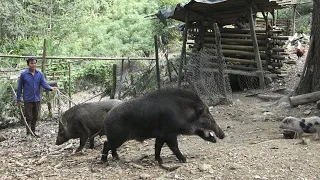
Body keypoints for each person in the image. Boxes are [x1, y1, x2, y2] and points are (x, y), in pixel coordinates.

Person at [16, 57, 57, 137]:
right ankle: (28, 133)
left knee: (35, 116)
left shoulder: (40, 74)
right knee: (29, 117)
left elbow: (44, 84)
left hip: (37, 98)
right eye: (31, 63)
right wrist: (18, 99)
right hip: (27, 99)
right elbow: (20, 87)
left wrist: (51, 88)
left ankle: (33, 131)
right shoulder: (24, 74)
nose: (33, 65)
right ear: (28, 64)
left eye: (34, 63)